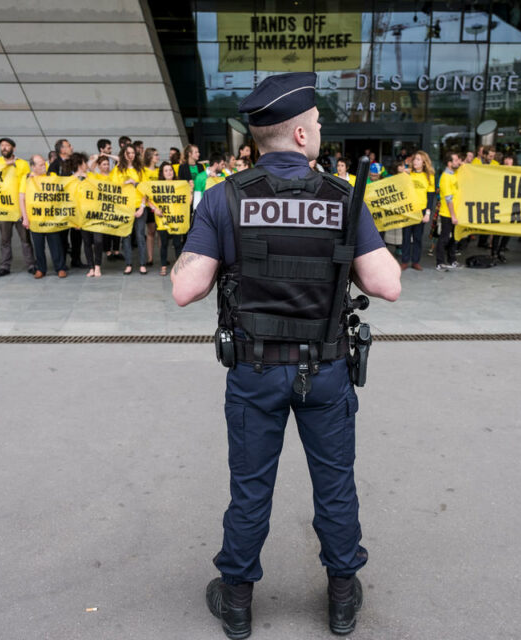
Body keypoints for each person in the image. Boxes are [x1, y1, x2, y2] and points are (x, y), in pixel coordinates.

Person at [171, 72, 401, 639]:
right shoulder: (344, 199)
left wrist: (210, 252)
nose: (320, 129)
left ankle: (239, 602)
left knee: (250, 485)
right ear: (300, 136)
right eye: (318, 123)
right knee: (335, 484)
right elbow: (388, 284)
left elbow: (184, 288)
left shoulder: (224, 197)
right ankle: (343, 599)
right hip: (325, 370)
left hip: (254, 369)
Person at [0, 137, 36, 277]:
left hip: (20, 208)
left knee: (26, 239)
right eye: (2, 145)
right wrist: (9, 164)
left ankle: (31, 264)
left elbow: (27, 182)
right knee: (5, 240)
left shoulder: (22, 163)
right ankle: (5, 266)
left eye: (7, 145)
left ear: (13, 148)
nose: (4, 148)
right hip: (2, 209)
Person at [21, 154, 67, 278]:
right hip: (35, 218)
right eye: (41, 164)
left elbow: (64, 187)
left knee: (55, 244)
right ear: (33, 167)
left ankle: (60, 267)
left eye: (44, 163)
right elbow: (22, 199)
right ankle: (41, 269)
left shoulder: (51, 176)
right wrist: (25, 217)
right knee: (38, 245)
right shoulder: (26, 179)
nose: (44, 166)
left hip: (51, 217)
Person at [48, 138, 84, 268]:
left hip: (75, 205)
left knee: (77, 234)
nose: (72, 148)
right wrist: (74, 177)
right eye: (69, 146)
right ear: (62, 150)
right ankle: (61, 263)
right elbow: (54, 185)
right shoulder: (54, 165)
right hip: (61, 206)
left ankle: (76, 260)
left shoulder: (73, 162)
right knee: (62, 235)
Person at [114, 144, 147, 274]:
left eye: (133, 152)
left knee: (140, 235)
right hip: (124, 207)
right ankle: (128, 264)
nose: (131, 155)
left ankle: (142, 264)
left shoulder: (141, 169)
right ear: (123, 154)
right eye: (128, 152)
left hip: (139, 205)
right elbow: (113, 188)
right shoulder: (118, 169)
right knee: (126, 236)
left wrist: (142, 207)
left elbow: (145, 189)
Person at [403, 151, 435, 270]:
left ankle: (415, 261)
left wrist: (427, 212)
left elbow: (430, 196)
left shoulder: (429, 176)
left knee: (417, 237)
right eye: (415, 159)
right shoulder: (408, 173)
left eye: (418, 159)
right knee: (406, 236)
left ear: (424, 162)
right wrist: (403, 173)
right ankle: (405, 261)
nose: (415, 161)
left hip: (421, 210)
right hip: (408, 209)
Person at [153, 162, 184, 276]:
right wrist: (154, 209)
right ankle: (163, 266)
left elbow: (186, 201)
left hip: (176, 219)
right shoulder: (157, 186)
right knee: (164, 243)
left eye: (170, 170)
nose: (169, 172)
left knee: (177, 244)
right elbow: (149, 199)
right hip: (162, 220)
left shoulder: (180, 185)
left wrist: (190, 190)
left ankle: (180, 267)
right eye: (166, 170)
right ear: (162, 173)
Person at [435, 151, 462, 270]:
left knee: (454, 237)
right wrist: (453, 216)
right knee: (444, 238)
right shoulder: (445, 178)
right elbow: (448, 199)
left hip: (455, 213)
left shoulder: (454, 174)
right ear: (449, 163)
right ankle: (440, 262)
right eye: (455, 160)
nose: (458, 162)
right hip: (447, 214)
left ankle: (452, 260)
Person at [143, 148, 162, 266]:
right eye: (156, 155)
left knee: (160, 232)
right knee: (151, 232)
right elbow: (143, 189)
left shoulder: (159, 171)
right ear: (149, 157)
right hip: (149, 205)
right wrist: (151, 205)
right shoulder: (143, 171)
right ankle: (150, 257)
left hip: (160, 205)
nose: (158, 157)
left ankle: (161, 256)